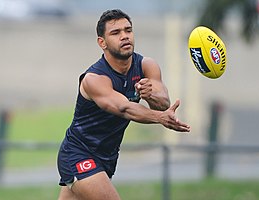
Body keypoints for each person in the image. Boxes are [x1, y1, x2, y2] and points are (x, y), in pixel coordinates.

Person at [57, 9, 191, 200]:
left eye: (128, 30)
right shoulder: (94, 79)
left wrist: (151, 95)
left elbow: (163, 103)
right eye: (116, 33)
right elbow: (124, 108)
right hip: (78, 153)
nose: (124, 36)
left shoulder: (146, 65)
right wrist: (160, 118)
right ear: (101, 43)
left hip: (107, 157)